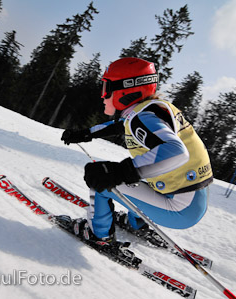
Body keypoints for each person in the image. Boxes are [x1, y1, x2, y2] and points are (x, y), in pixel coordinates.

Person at [61, 57, 213, 245]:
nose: (103, 95)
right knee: (134, 174)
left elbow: (176, 151)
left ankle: (99, 235)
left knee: (101, 181)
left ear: (125, 90)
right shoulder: (147, 111)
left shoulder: (143, 117)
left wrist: (120, 171)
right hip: (188, 199)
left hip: (179, 209)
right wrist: (86, 134)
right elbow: (121, 125)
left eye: (106, 88)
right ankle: (137, 224)